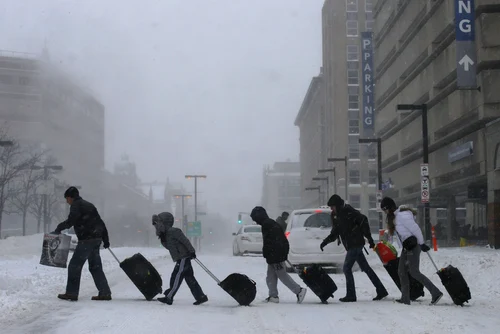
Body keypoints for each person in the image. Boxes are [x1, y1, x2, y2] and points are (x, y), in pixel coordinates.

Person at [320, 194, 388, 302]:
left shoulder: (348, 211)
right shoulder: (336, 215)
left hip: (355, 243)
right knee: (366, 268)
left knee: (346, 268)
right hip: (352, 244)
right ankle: (381, 290)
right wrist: (325, 242)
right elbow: (335, 232)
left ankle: (351, 295)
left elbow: (363, 220)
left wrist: (369, 239)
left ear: (338, 205)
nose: (331, 209)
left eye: (332, 206)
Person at [52, 186, 112, 301]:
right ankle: (105, 293)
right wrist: (105, 239)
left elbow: (71, 220)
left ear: (70, 197)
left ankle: (71, 293)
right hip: (96, 239)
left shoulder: (76, 205)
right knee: (95, 267)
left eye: (67, 199)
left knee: (74, 266)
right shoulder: (89, 205)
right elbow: (100, 223)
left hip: (86, 240)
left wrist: (59, 228)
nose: (67, 202)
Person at [380, 197, 443, 305]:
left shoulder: (402, 216)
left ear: (389, 207)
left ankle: (435, 292)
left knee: (414, 272)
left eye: (385, 209)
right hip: (407, 246)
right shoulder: (395, 217)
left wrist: (422, 243)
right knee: (401, 271)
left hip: (413, 246)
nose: (385, 212)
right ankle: (405, 298)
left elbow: (416, 229)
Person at [250, 206, 307, 304]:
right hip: (275, 254)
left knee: (282, 275)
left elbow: (270, 242)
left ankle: (299, 291)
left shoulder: (267, 225)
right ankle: (273, 296)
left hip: (276, 255)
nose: (256, 222)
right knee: (270, 276)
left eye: (255, 219)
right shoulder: (269, 223)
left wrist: (269, 253)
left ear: (258, 217)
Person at [152, 212, 208, 305]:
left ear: (164, 222)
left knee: (176, 277)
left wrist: (192, 251)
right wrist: (162, 238)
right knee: (190, 278)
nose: (156, 226)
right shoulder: (165, 235)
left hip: (183, 257)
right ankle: (200, 296)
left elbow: (185, 241)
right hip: (181, 258)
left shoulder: (174, 231)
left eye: (158, 223)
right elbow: (170, 247)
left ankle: (169, 297)